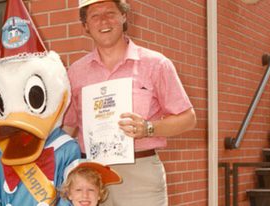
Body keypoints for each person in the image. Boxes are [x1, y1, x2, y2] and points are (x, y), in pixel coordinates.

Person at [63, 0, 197, 205]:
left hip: (140, 174)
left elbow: (188, 119)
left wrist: (148, 128)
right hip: (91, 177)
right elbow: (69, 125)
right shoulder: (76, 72)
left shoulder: (155, 64)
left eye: (110, 13)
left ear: (124, 16)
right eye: (95, 16)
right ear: (86, 26)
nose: (103, 21)